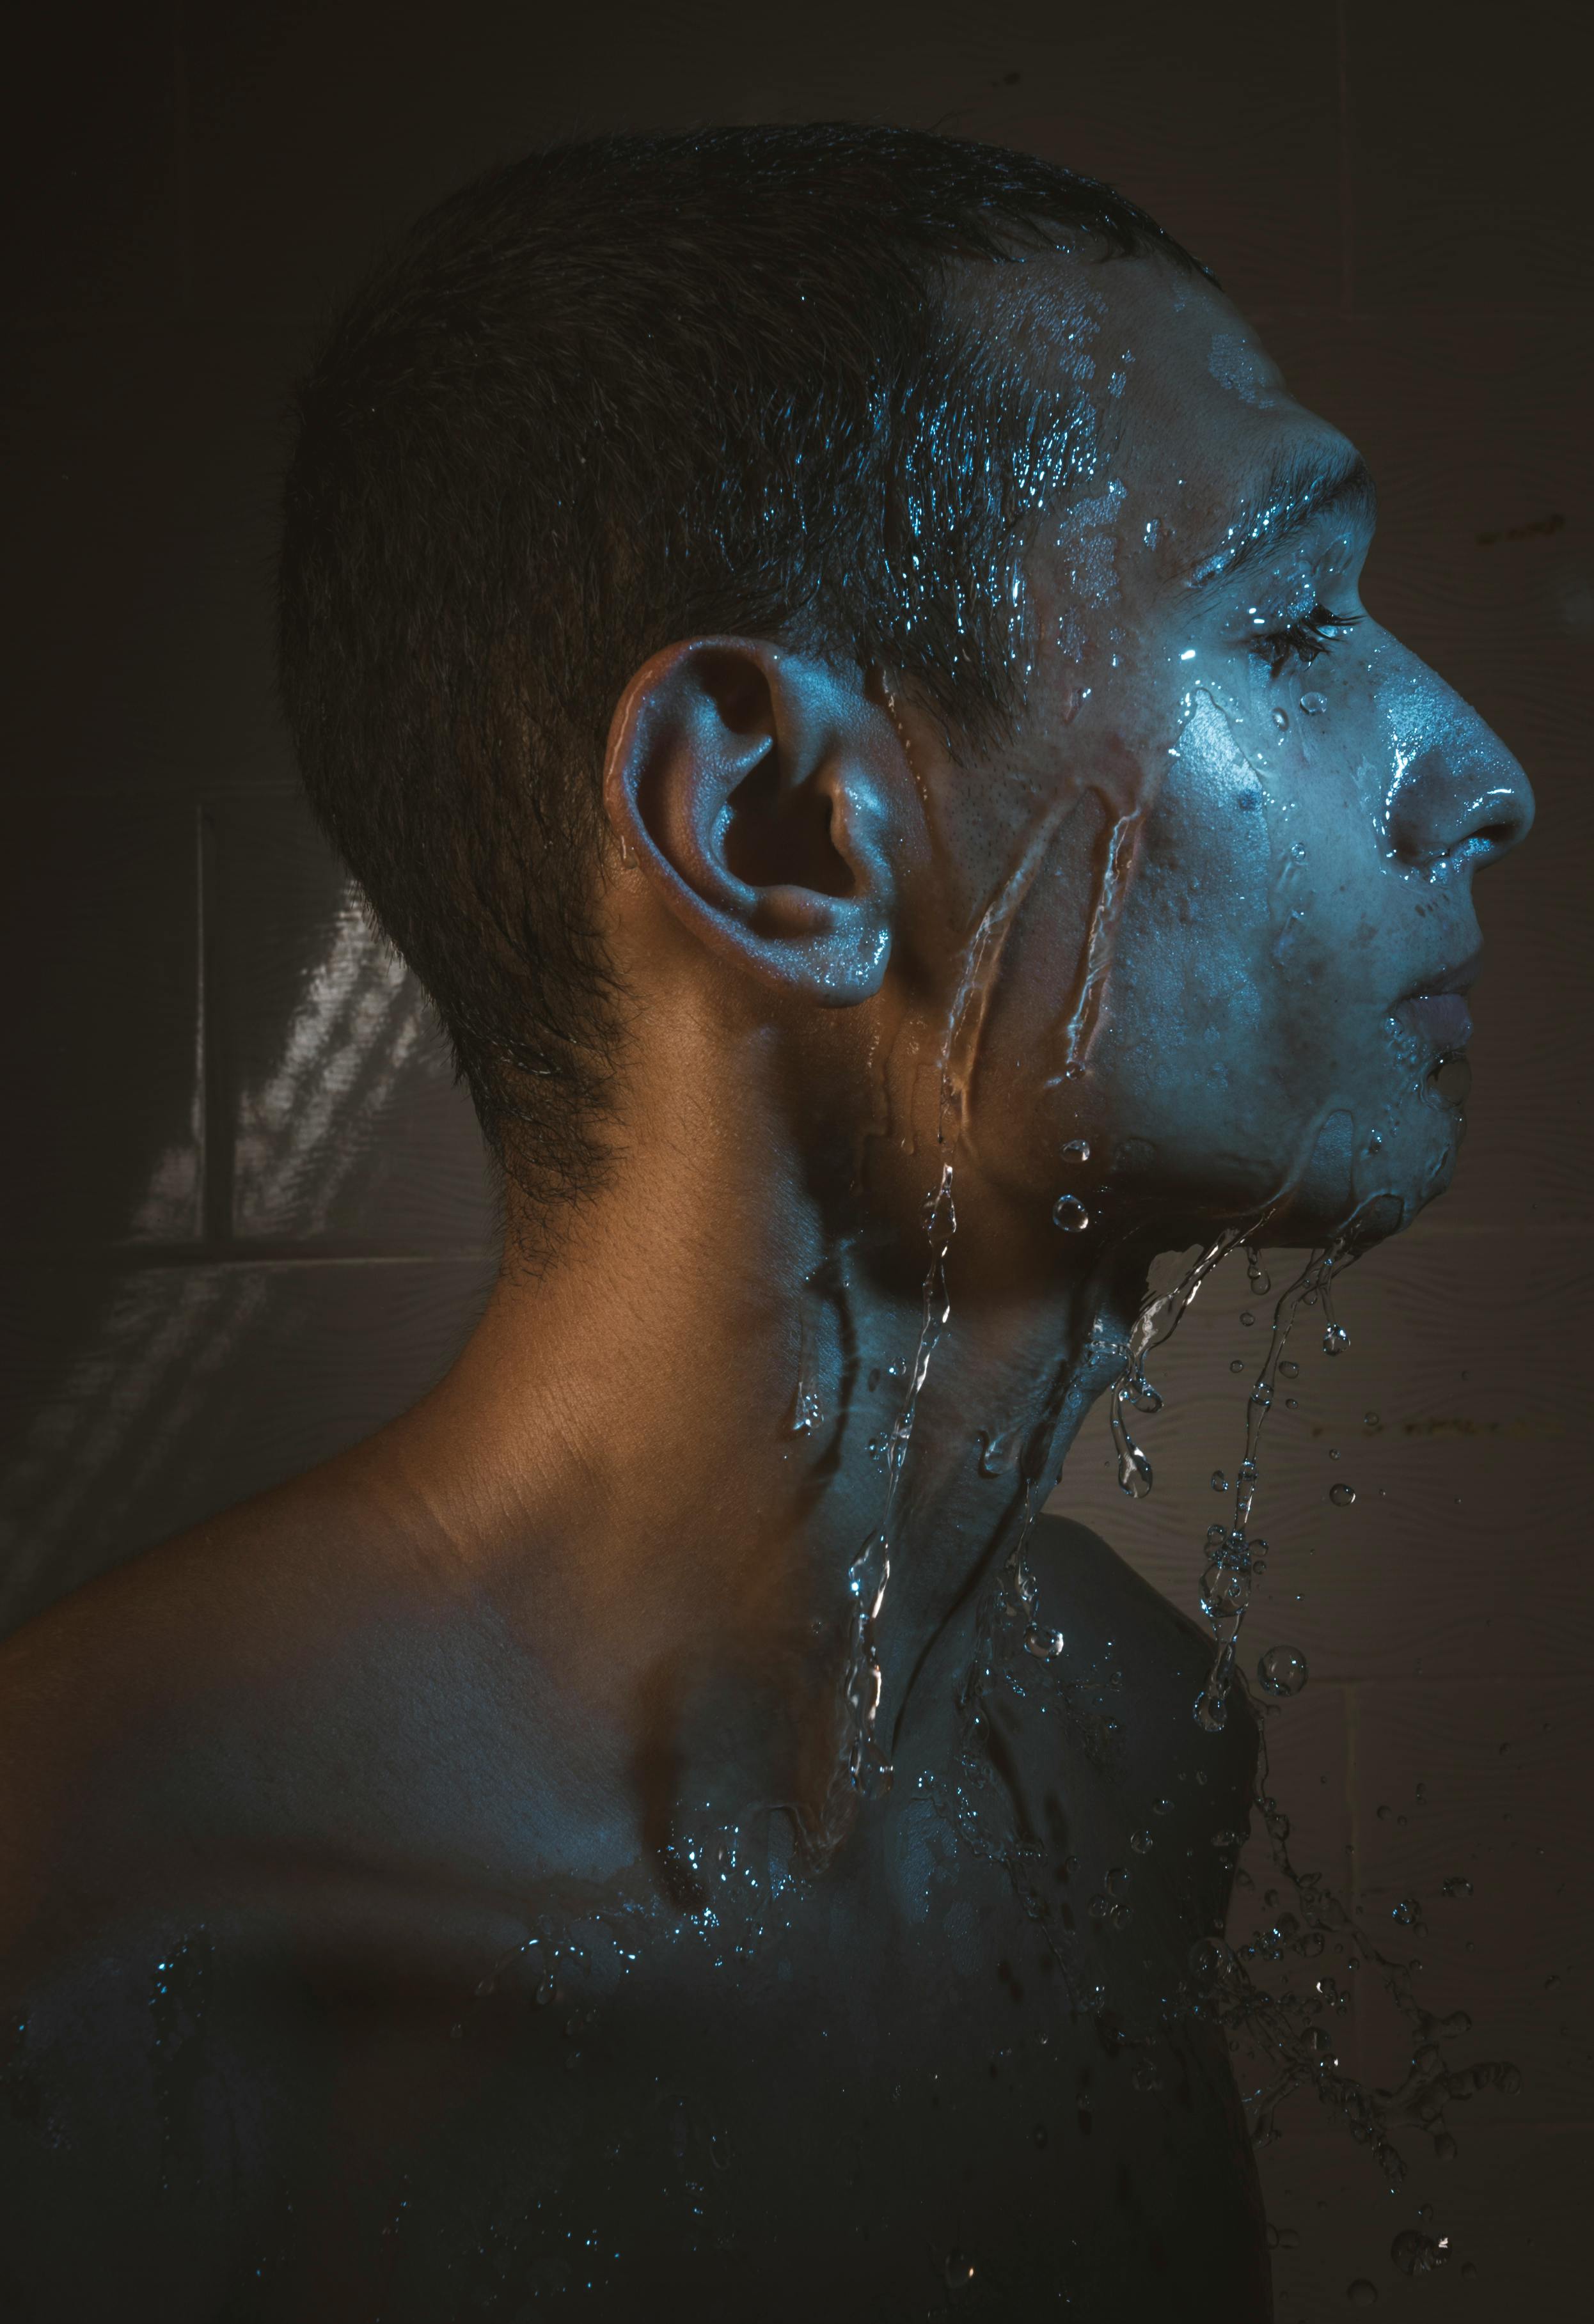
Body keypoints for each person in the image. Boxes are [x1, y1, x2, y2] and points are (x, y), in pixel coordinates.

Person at [0, 125, 1531, 2318]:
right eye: (1287, 620)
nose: (1479, 767)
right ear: (778, 825)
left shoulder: (1121, 1741)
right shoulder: (106, 1953)